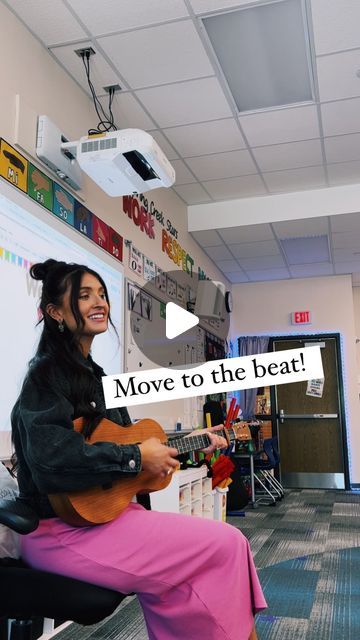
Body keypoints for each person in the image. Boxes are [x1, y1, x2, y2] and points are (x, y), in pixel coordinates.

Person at [11, 259, 267, 640]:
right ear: (55, 311)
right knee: (228, 543)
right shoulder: (45, 375)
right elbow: (51, 460)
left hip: (105, 519)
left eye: (101, 294)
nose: (99, 302)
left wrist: (173, 453)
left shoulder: (95, 376)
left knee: (199, 567)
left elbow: (126, 447)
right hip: (61, 530)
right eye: (84, 296)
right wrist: (136, 459)